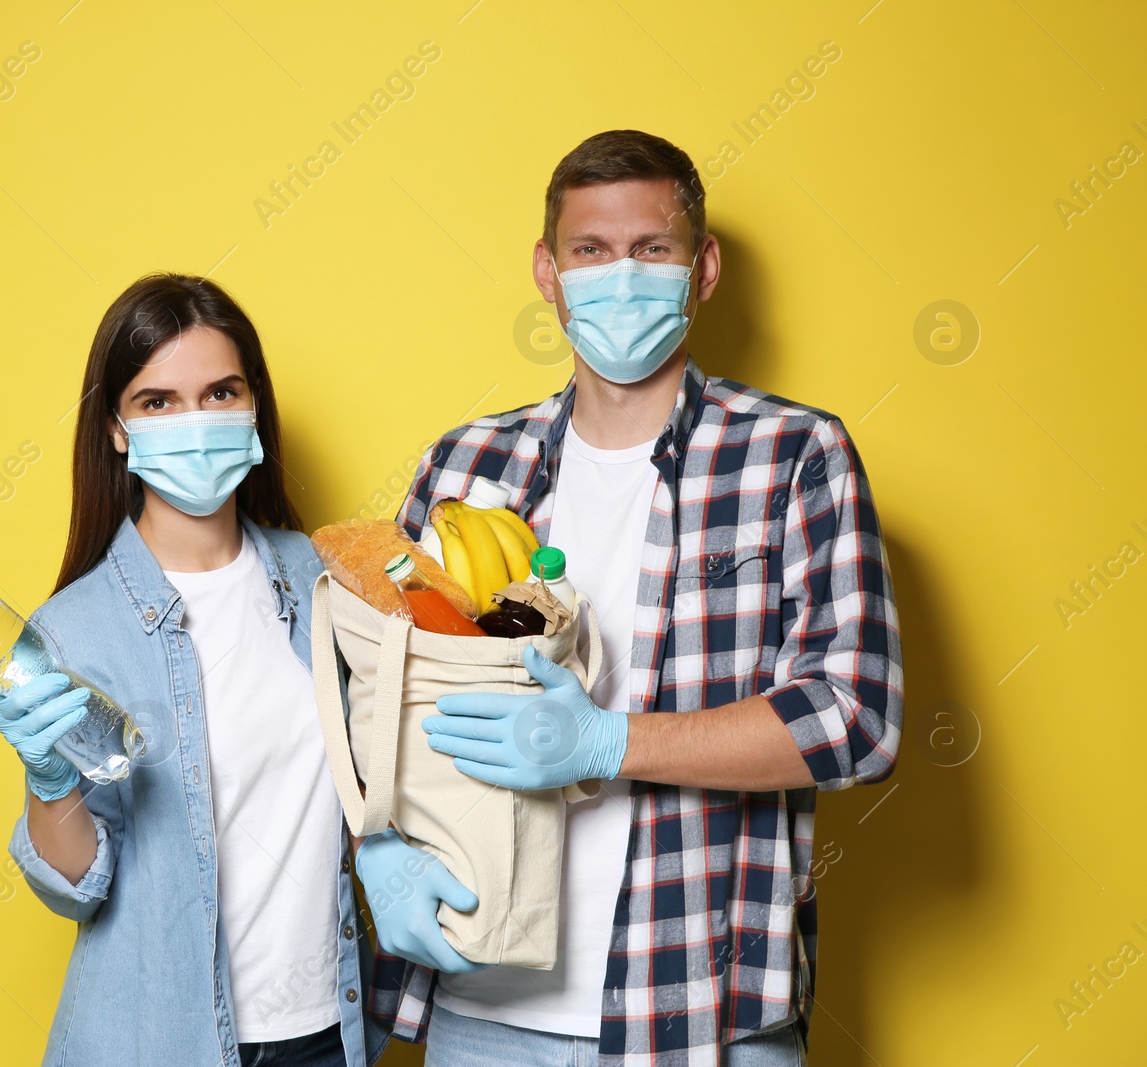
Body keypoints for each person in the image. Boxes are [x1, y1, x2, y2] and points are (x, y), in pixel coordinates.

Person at [357, 131, 904, 1065]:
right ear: (548, 270)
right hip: (478, 1006)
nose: (621, 276)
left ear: (704, 267)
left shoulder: (793, 455)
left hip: (699, 1004)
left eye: (651, 250)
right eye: (592, 251)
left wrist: (608, 742)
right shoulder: (465, 466)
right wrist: (376, 843)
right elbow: (368, 687)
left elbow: (856, 720)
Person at [0, 274, 389, 1066]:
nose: (196, 421)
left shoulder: (319, 576)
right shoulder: (72, 629)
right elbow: (76, 886)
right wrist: (49, 782)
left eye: (221, 392)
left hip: (334, 1030)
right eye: (159, 401)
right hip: (163, 1038)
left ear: (254, 405)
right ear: (117, 428)